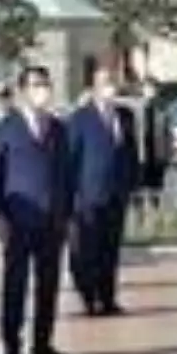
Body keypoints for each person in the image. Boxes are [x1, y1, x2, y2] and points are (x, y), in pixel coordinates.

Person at [0, 66, 73, 354]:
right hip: (18, 219)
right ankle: (11, 344)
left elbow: (67, 174)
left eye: (46, 85)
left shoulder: (60, 129)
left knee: (48, 285)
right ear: (22, 90)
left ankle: (42, 344)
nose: (43, 91)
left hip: (53, 220)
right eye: (36, 85)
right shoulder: (4, 127)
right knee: (15, 284)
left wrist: (68, 215)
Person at [67, 66, 140, 317]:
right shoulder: (80, 118)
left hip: (117, 193)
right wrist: (72, 194)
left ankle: (108, 297)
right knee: (89, 248)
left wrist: (133, 184)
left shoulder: (125, 115)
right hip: (89, 194)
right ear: (94, 87)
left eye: (112, 81)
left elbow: (131, 153)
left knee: (111, 248)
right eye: (105, 82)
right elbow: (71, 157)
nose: (111, 86)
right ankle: (90, 296)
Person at [136, 76, 173, 199]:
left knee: (155, 191)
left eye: (153, 89)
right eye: (148, 89)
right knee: (138, 192)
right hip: (141, 157)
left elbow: (168, 134)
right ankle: (140, 215)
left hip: (157, 156)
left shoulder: (162, 109)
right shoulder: (137, 108)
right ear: (143, 90)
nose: (150, 92)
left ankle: (153, 213)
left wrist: (168, 155)